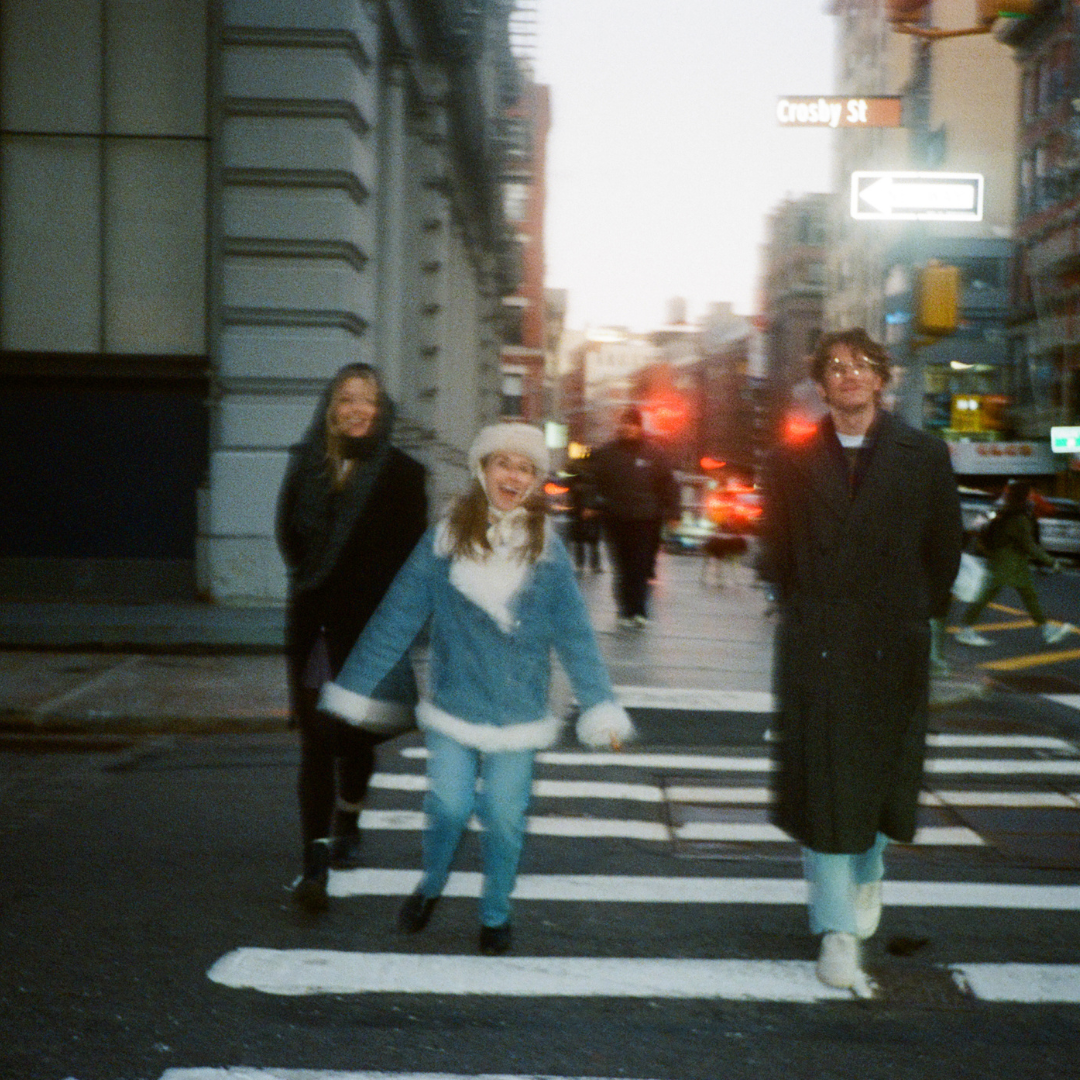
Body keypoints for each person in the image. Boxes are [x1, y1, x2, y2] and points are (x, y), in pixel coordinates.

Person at [319, 421, 634, 955]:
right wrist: (355, 687)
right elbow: (397, 615)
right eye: (503, 463)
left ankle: (495, 913)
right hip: (455, 703)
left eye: (525, 467)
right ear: (482, 469)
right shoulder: (443, 540)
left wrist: (600, 704)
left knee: (505, 820)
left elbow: (576, 633)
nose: (513, 475)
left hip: (518, 709)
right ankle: (431, 884)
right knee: (448, 806)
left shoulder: (548, 552)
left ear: (535, 480)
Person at [758, 328, 963, 993]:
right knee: (824, 784)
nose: (849, 375)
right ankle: (837, 932)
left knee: (876, 778)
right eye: (836, 367)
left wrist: (907, 614)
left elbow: (945, 551)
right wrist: (808, 610)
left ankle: (869, 870)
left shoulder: (923, 455)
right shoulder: (789, 461)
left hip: (890, 643)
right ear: (821, 384)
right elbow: (776, 553)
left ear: (882, 377)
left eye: (862, 365)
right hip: (818, 642)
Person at [276, 363, 427, 913]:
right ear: (331, 408)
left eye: (368, 400)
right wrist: (316, 581)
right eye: (346, 399)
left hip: (370, 631)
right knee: (316, 737)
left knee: (355, 736)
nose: (357, 409)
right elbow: (287, 535)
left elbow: (411, 559)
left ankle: (351, 815)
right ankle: (314, 862)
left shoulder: (404, 473)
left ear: (380, 410)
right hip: (313, 624)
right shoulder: (306, 462)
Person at [586, 405, 679, 626]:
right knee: (622, 566)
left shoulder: (655, 453)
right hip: (615, 518)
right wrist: (590, 504)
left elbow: (669, 484)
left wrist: (673, 513)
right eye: (625, 423)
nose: (628, 427)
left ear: (639, 427)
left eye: (633, 424)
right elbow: (592, 480)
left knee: (641, 565)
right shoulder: (606, 453)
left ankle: (639, 611)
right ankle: (625, 611)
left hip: (646, 520)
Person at [954, 478, 1073, 647]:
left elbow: (980, 524)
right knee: (991, 595)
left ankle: (1046, 629)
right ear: (1024, 495)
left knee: (1025, 596)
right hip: (1008, 563)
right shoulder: (1018, 517)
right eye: (1030, 493)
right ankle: (965, 630)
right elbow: (1029, 546)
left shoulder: (1004, 509)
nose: (1033, 495)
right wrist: (1052, 562)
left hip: (1008, 561)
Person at [565, 457, 603, 572]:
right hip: (586, 510)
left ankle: (582, 564)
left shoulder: (577, 479)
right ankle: (592, 565)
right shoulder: (592, 477)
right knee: (590, 540)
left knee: (581, 540)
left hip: (580, 510)